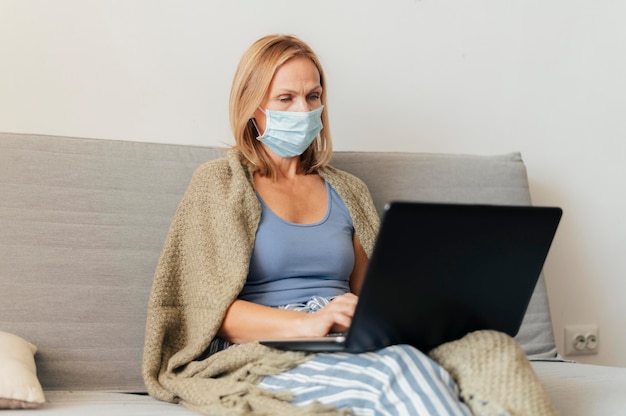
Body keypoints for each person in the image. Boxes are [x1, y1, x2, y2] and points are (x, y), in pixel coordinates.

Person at [142, 34, 556, 416]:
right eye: (285, 98)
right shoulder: (219, 184)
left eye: (313, 96)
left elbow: (370, 294)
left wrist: (426, 307)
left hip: (344, 335)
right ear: (252, 108)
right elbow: (205, 313)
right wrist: (307, 324)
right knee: (397, 373)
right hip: (265, 347)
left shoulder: (348, 190)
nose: (303, 110)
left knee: (491, 350)